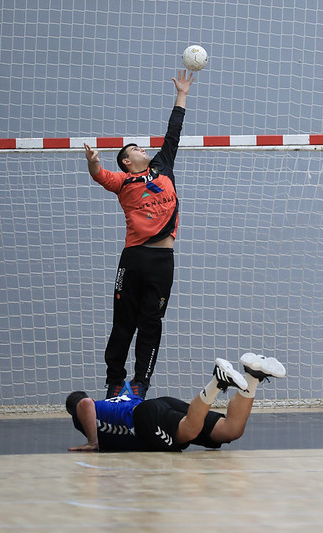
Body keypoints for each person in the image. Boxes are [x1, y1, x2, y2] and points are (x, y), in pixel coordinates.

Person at [83, 70, 194, 399]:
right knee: (123, 324)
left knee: (151, 323)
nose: (142, 149)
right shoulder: (122, 181)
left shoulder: (163, 166)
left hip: (162, 261)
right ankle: (114, 381)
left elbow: (173, 134)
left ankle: (140, 384)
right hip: (134, 259)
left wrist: (182, 95)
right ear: (126, 161)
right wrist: (92, 162)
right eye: (134, 149)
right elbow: (99, 176)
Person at [66, 352, 286, 452]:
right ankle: (253, 376)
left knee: (189, 430)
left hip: (144, 420)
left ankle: (217, 382)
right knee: (230, 430)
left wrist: (92, 443)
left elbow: (84, 404)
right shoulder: (114, 402)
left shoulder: (86, 412)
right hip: (156, 406)